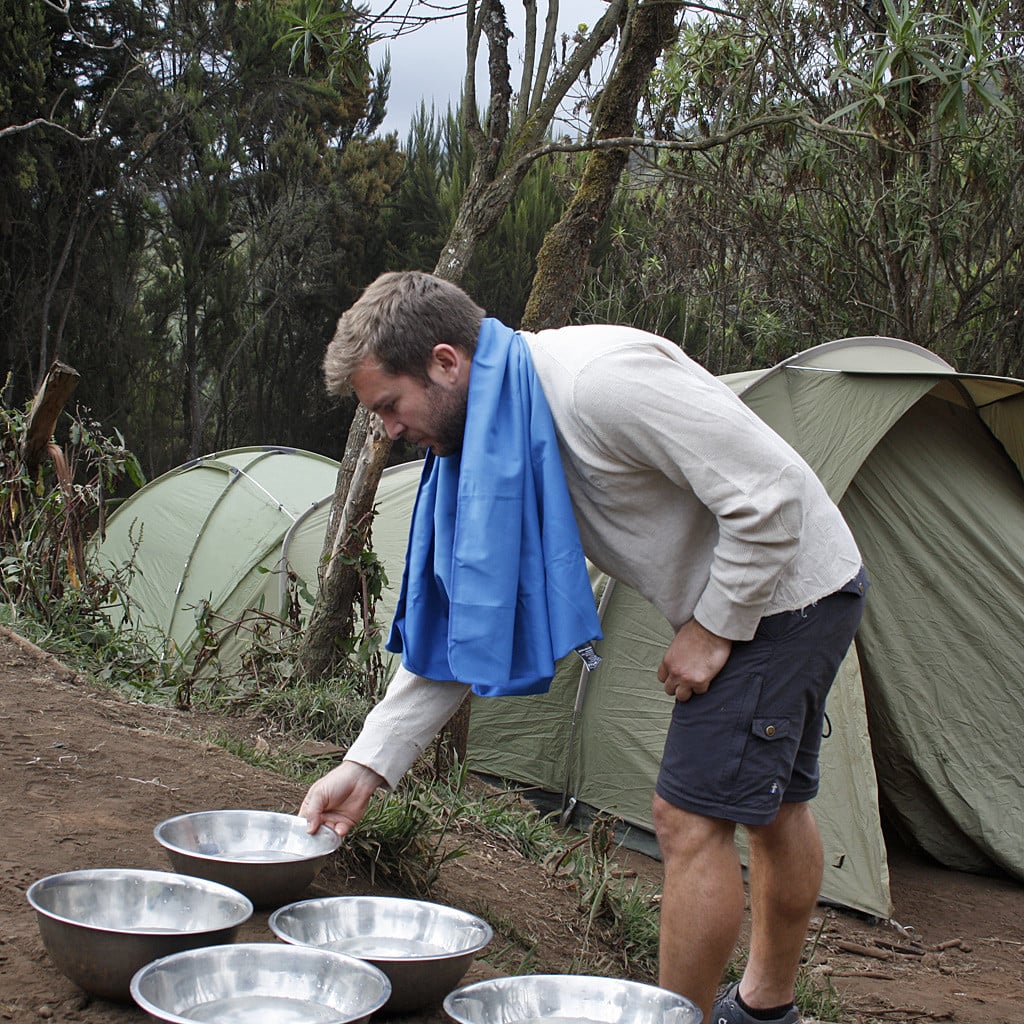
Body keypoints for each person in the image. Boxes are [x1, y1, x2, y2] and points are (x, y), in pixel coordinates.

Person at [300, 271, 867, 1024]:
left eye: (389, 407)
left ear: (445, 362)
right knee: (772, 804)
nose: (389, 431)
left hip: (789, 590)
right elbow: (469, 621)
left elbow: (773, 498)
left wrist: (714, 626)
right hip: (773, 588)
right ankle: (766, 1007)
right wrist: (367, 764)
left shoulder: (600, 384)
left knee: (686, 818)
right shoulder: (495, 432)